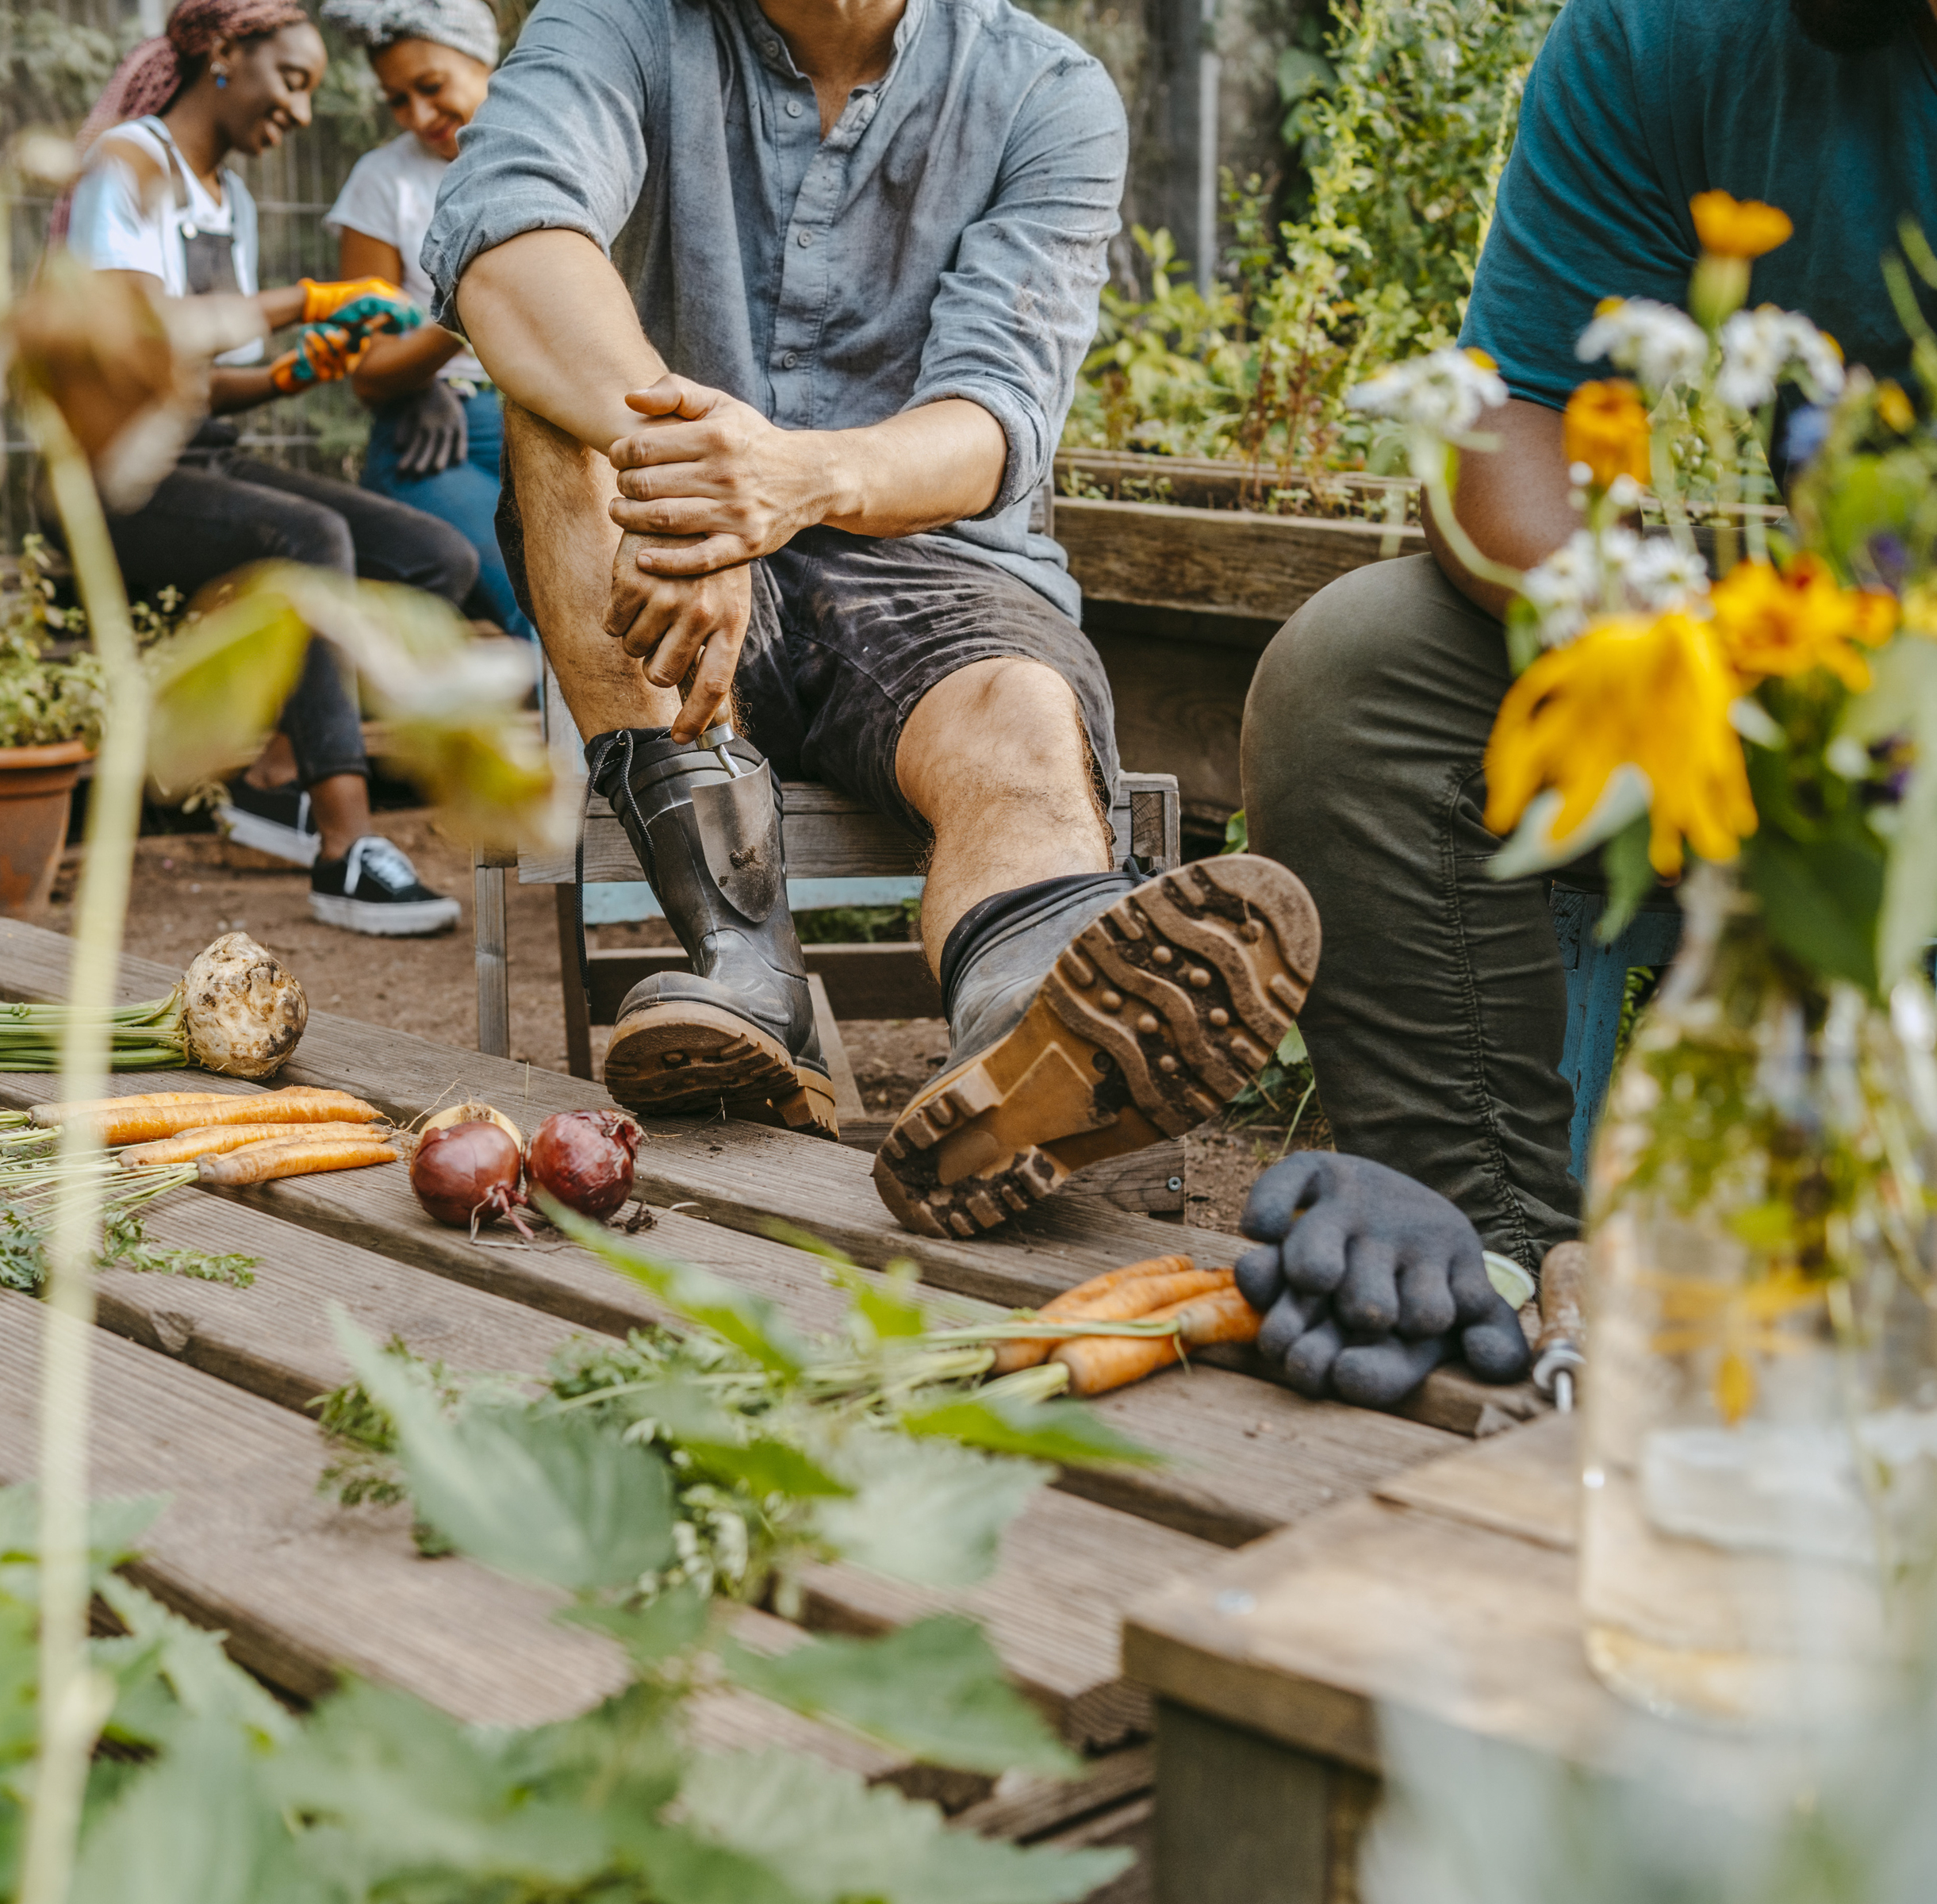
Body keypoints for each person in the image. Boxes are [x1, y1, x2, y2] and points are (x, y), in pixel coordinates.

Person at [1240, 0, 1937, 1276]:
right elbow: (1520, 417)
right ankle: (1497, 1294)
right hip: (1839, 627)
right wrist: (1657, 644)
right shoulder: (1671, 26)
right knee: (1365, 678)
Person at [425, 0, 1321, 1234]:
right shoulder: (616, 26)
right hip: (652, 564)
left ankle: (1033, 1033)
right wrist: (690, 473)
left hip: (930, 561)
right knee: (552, 413)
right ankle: (744, 965)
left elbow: (994, 416)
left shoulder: (1045, 90)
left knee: (1015, 716)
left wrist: (796, 480)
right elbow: (508, 240)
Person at [65, 0, 470, 935]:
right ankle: (345, 850)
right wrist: (307, 301)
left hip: (200, 455)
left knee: (432, 557)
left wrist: (295, 371)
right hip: (115, 481)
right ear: (221, 52)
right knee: (309, 535)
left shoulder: (231, 198)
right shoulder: (125, 164)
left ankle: (274, 779)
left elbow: (202, 387)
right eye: (291, 79)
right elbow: (148, 353)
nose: (298, 111)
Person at [318, 0, 536, 643]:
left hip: (537, 420)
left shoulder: (540, 158)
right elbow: (368, 369)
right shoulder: (382, 182)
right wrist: (462, 321)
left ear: (482, 60)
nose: (418, 115)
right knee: (541, 604)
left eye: (431, 87)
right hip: (438, 441)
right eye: (397, 100)